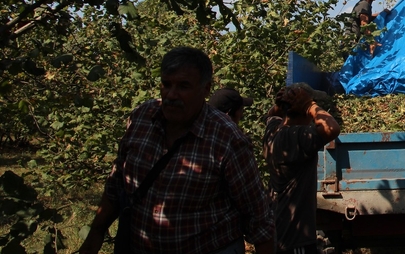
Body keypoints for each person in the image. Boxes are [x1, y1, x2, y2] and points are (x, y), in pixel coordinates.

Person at [79, 47, 275, 254]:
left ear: (206, 89)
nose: (171, 94)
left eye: (183, 86)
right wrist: (95, 234)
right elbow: (117, 182)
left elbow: (258, 217)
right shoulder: (142, 119)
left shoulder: (226, 139)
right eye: (166, 84)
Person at [263, 82, 341, 254]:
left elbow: (270, 116)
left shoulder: (273, 132)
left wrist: (280, 105)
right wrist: (310, 105)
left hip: (277, 228)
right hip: (294, 238)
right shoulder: (297, 138)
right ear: (304, 111)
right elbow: (332, 128)